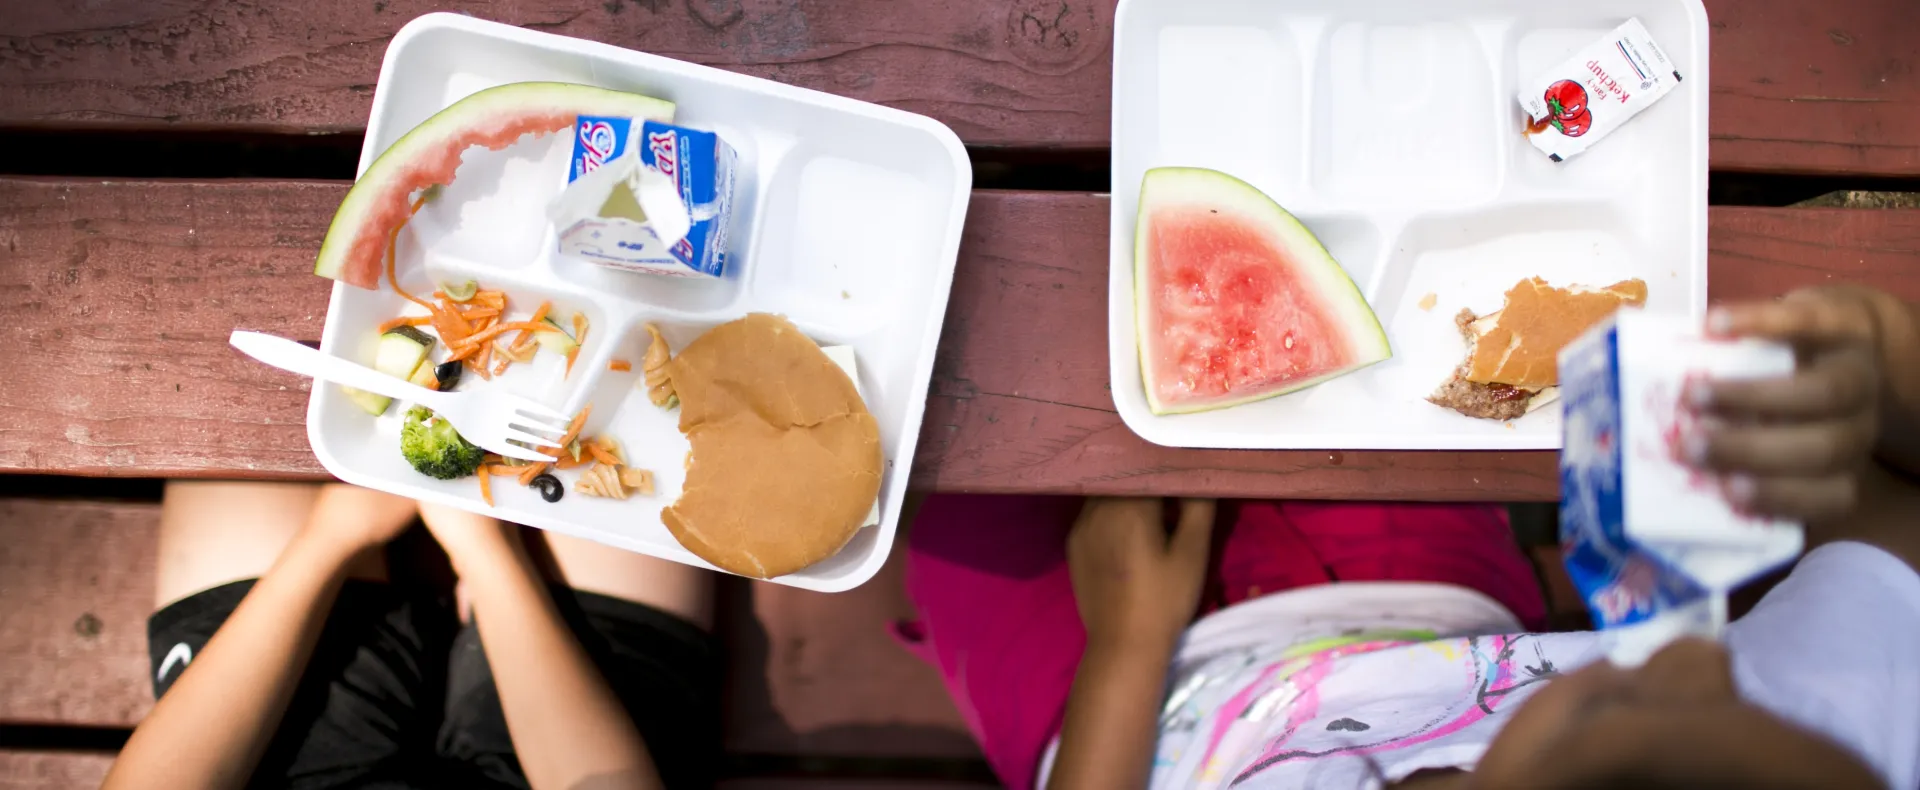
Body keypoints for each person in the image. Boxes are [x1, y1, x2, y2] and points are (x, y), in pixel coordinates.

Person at [896, 284, 1920, 789]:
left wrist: (1126, 647)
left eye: (1604, 699)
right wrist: (1868, 373)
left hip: (1122, 734)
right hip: (1417, 622)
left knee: (960, 456)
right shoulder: (1831, 736)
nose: (1692, 664)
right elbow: (1892, 533)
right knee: (1353, 324)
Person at [102, 485, 720, 789]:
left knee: (253, 397)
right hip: (565, 769)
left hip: (289, 771)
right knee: (629, 437)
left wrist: (328, 542)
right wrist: (485, 550)